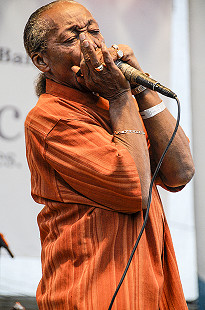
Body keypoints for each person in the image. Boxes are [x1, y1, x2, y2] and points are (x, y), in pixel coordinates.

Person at [23, 0, 195, 309]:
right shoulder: (50, 118)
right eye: (72, 37)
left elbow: (180, 169)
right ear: (41, 61)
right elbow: (134, 190)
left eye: (94, 30)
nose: (91, 44)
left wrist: (140, 88)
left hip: (151, 291)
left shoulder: (114, 104)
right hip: (94, 293)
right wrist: (119, 96)